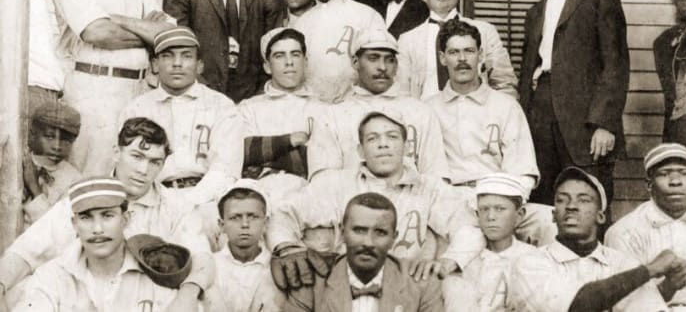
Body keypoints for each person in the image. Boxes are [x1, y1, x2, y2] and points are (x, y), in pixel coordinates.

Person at [0, 117, 213, 310]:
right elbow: (28, 250)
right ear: (116, 152)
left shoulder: (176, 207)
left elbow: (203, 259)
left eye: (154, 162)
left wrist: (186, 298)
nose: (143, 170)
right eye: (137, 156)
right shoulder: (86, 197)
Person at [268, 110, 483, 292]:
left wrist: (449, 261)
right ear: (360, 151)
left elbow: (467, 226)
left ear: (407, 147)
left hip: (405, 288)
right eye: (373, 139)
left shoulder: (429, 188)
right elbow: (284, 214)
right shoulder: (336, 183)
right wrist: (286, 247)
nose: (383, 145)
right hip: (343, 288)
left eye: (391, 137)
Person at [53, 0, 175, 176]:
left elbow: (168, 35)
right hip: (94, 92)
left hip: (139, 92)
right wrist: (147, 32)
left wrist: (119, 19)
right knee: (90, 180)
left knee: (132, 179)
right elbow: (98, 33)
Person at [518, 0, 629, 206]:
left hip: (584, 117)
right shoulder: (534, 12)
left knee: (589, 195)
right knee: (542, 197)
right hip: (539, 113)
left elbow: (615, 65)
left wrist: (605, 123)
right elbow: (526, 71)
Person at [425, 18, 554, 245]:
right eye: (454, 52)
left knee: (550, 223)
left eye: (469, 51)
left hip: (499, 198)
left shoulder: (505, 106)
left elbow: (523, 171)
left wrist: (505, 206)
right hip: (452, 201)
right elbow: (429, 176)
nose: (462, 59)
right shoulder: (428, 109)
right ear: (442, 58)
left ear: (481, 55)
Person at [14, 177, 200, 312]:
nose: (97, 229)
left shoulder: (156, 272)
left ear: (125, 220)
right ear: (74, 224)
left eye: (107, 216)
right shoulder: (53, 277)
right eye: (86, 218)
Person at [508, 167, 674, 311]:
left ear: (600, 216)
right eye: (562, 200)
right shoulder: (529, 262)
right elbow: (577, 305)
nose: (571, 206)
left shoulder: (623, 264)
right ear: (553, 214)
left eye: (583, 200)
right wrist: (649, 270)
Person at [118, 26, 242, 205]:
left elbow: (226, 170)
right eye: (168, 56)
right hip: (151, 201)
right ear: (154, 64)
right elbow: (128, 168)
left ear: (199, 65)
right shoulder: (137, 109)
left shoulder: (221, 106)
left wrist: (186, 204)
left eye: (186, 56)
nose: (177, 63)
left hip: (207, 201)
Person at [308, 28, 448, 178]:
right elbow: (323, 182)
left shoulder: (420, 112)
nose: (382, 67)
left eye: (389, 59)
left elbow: (437, 177)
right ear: (355, 62)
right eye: (373, 58)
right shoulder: (332, 116)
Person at [285, 192, 444, 312]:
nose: (368, 242)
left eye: (380, 233)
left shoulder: (421, 283)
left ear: (393, 239)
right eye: (359, 230)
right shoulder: (310, 282)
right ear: (343, 232)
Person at [606, 143, 686, 308]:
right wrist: (666, 289)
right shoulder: (624, 231)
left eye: (684, 173)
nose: (675, 181)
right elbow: (624, 303)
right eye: (664, 174)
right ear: (649, 185)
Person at [397, 0, 517, 100]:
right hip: (427, 115)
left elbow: (505, 83)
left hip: (475, 114)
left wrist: (495, 115)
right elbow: (402, 92)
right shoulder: (408, 40)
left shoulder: (485, 31)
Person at [292, 0, 386, 103]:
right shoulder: (301, 23)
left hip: (355, 109)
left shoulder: (367, 16)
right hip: (312, 109)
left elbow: (379, 70)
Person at [238, 27, 330, 185]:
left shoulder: (325, 109)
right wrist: (290, 141)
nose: (289, 62)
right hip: (259, 190)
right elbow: (241, 154)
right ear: (267, 66)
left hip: (309, 190)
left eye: (295, 54)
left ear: (305, 62)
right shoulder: (248, 108)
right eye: (279, 56)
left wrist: (264, 155)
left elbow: (328, 160)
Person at [442, 173, 537, 311]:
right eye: (484, 209)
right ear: (477, 215)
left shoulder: (531, 258)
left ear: (519, 215)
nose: (491, 216)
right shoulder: (465, 258)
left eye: (500, 209)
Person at [204, 179, 285, 311]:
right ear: (221, 225)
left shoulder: (276, 267)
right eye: (235, 217)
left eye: (253, 216)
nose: (245, 224)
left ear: (266, 223)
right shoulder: (209, 265)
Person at [22, 101, 82, 227]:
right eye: (49, 137)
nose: (57, 146)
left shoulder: (73, 179)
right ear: (32, 134)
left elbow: (55, 228)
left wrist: (35, 189)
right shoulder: (19, 161)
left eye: (66, 140)